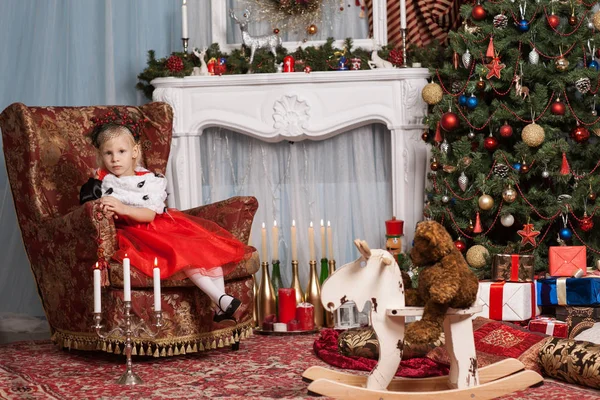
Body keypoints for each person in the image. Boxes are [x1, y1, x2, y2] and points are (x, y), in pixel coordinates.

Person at [80, 109, 254, 326]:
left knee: (205, 249)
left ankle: (221, 304)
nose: (115, 159)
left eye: (121, 151)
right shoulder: (101, 183)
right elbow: (92, 209)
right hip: (135, 234)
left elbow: (150, 213)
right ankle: (221, 300)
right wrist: (107, 208)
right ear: (101, 155)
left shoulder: (151, 180)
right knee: (183, 254)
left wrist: (123, 208)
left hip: (157, 225)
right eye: (108, 153)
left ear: (134, 152)